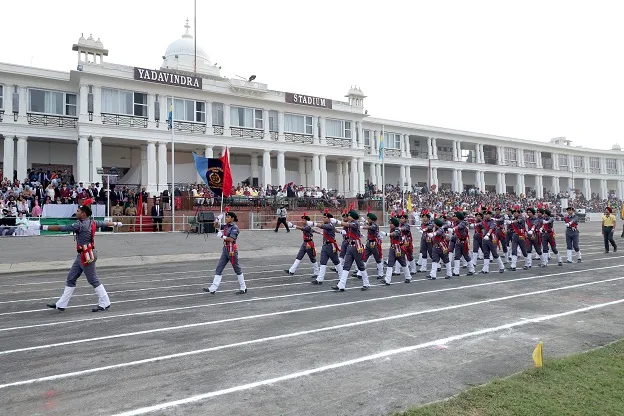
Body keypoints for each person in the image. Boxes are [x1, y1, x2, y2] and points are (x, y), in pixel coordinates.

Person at [43, 199, 121, 312]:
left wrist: (41, 227)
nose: (76, 213)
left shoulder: (80, 225)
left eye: (78, 211)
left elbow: (61, 228)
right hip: (83, 254)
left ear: (83, 214)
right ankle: (61, 304)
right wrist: (116, 223)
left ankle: (105, 302)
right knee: (71, 278)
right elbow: (104, 223)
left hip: (86, 255)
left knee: (93, 280)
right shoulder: (92, 222)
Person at [203, 210, 247, 295]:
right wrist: (217, 219)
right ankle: (213, 288)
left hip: (232, 250)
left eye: (228, 217)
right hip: (225, 249)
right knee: (219, 268)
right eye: (226, 217)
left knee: (237, 268)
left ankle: (243, 287)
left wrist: (222, 236)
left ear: (232, 218)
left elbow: (231, 239)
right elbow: (215, 226)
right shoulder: (226, 226)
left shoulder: (234, 227)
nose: (226, 218)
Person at [330, 209, 371, 291]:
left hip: (356, 246)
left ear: (353, 217)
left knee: (360, 265)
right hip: (350, 246)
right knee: (346, 266)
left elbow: (348, 225)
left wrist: (337, 221)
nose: (348, 217)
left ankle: (366, 283)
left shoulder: (355, 223)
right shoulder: (350, 224)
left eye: (349, 215)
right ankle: (341, 285)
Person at [310, 210, 343, 284]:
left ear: (329, 218)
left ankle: (341, 277)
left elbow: (322, 226)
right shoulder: (330, 225)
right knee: (323, 262)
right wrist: (340, 232)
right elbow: (335, 230)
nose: (323, 219)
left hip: (331, 246)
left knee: (336, 262)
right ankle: (319, 279)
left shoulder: (330, 225)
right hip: (325, 246)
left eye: (325, 217)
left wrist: (313, 223)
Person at [379, 217, 412, 285]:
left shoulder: (397, 230)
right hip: (393, 248)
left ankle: (408, 277)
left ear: (394, 224)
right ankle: (387, 280)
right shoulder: (392, 229)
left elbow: (394, 234)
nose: (390, 224)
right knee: (390, 264)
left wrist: (386, 234)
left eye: (391, 223)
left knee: (403, 263)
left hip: (399, 249)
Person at [358, 212, 385, 280]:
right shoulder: (371, 223)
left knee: (377, 258)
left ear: (372, 220)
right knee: (364, 257)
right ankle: (360, 272)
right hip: (368, 243)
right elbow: (368, 223)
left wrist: (361, 226)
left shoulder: (374, 225)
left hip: (373, 243)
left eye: (369, 219)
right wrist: (364, 221)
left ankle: (381, 273)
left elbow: (369, 227)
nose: (368, 220)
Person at [451, 211, 475, 276]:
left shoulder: (463, 223)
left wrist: (453, 229)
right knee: (457, 257)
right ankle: (456, 271)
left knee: (466, 256)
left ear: (458, 217)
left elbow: (460, 227)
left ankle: (472, 270)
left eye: (455, 216)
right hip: (458, 242)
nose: (454, 217)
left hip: (463, 242)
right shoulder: (456, 223)